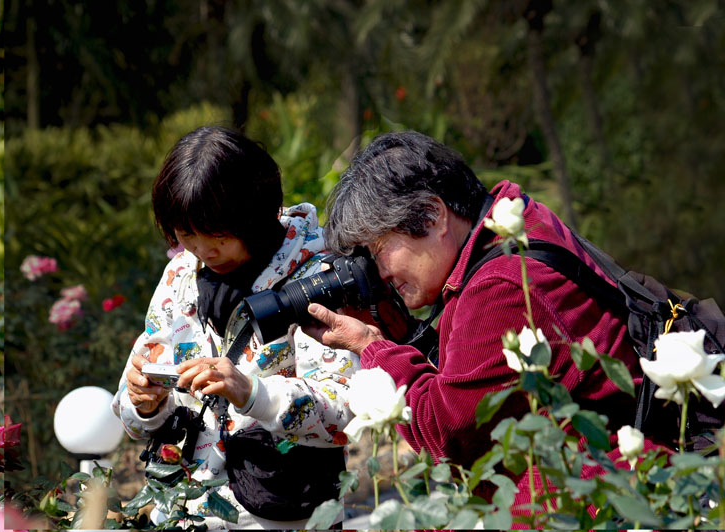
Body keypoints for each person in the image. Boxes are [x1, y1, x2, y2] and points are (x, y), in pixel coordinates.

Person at [303, 130, 665, 516]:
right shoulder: (514, 219)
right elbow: (477, 378)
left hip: (594, 506)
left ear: (431, 215)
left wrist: (372, 347)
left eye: (378, 250)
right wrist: (402, 334)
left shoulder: (500, 284)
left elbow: (449, 434)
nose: (380, 272)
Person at [111, 126, 357, 529]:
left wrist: (252, 393)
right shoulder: (179, 276)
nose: (204, 251)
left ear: (257, 214)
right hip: (180, 509)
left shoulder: (318, 276)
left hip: (281, 512)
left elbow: (345, 409)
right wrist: (143, 401)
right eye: (187, 233)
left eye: (219, 236)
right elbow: (131, 412)